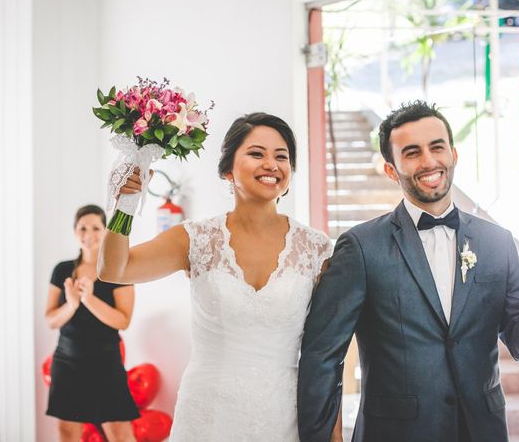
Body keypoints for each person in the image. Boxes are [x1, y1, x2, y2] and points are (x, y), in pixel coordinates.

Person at [297, 100, 519, 442]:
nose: (428, 161)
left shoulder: (498, 242)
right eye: (411, 152)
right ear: (391, 170)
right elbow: (322, 356)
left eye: (436, 147)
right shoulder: (362, 247)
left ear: (453, 154)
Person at [98, 112, 341, 441]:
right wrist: (125, 204)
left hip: (282, 415)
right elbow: (115, 270)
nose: (271, 164)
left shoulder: (317, 248)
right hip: (207, 413)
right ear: (228, 169)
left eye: (281, 156)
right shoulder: (195, 238)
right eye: (257, 153)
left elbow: (329, 352)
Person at [45, 204, 138, 442]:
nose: (89, 234)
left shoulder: (118, 269)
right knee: (67, 432)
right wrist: (72, 304)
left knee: (120, 433)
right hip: (67, 362)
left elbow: (123, 321)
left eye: (96, 228)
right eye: (82, 228)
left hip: (106, 363)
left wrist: (89, 299)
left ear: (106, 230)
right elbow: (51, 320)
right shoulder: (62, 270)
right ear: (75, 231)